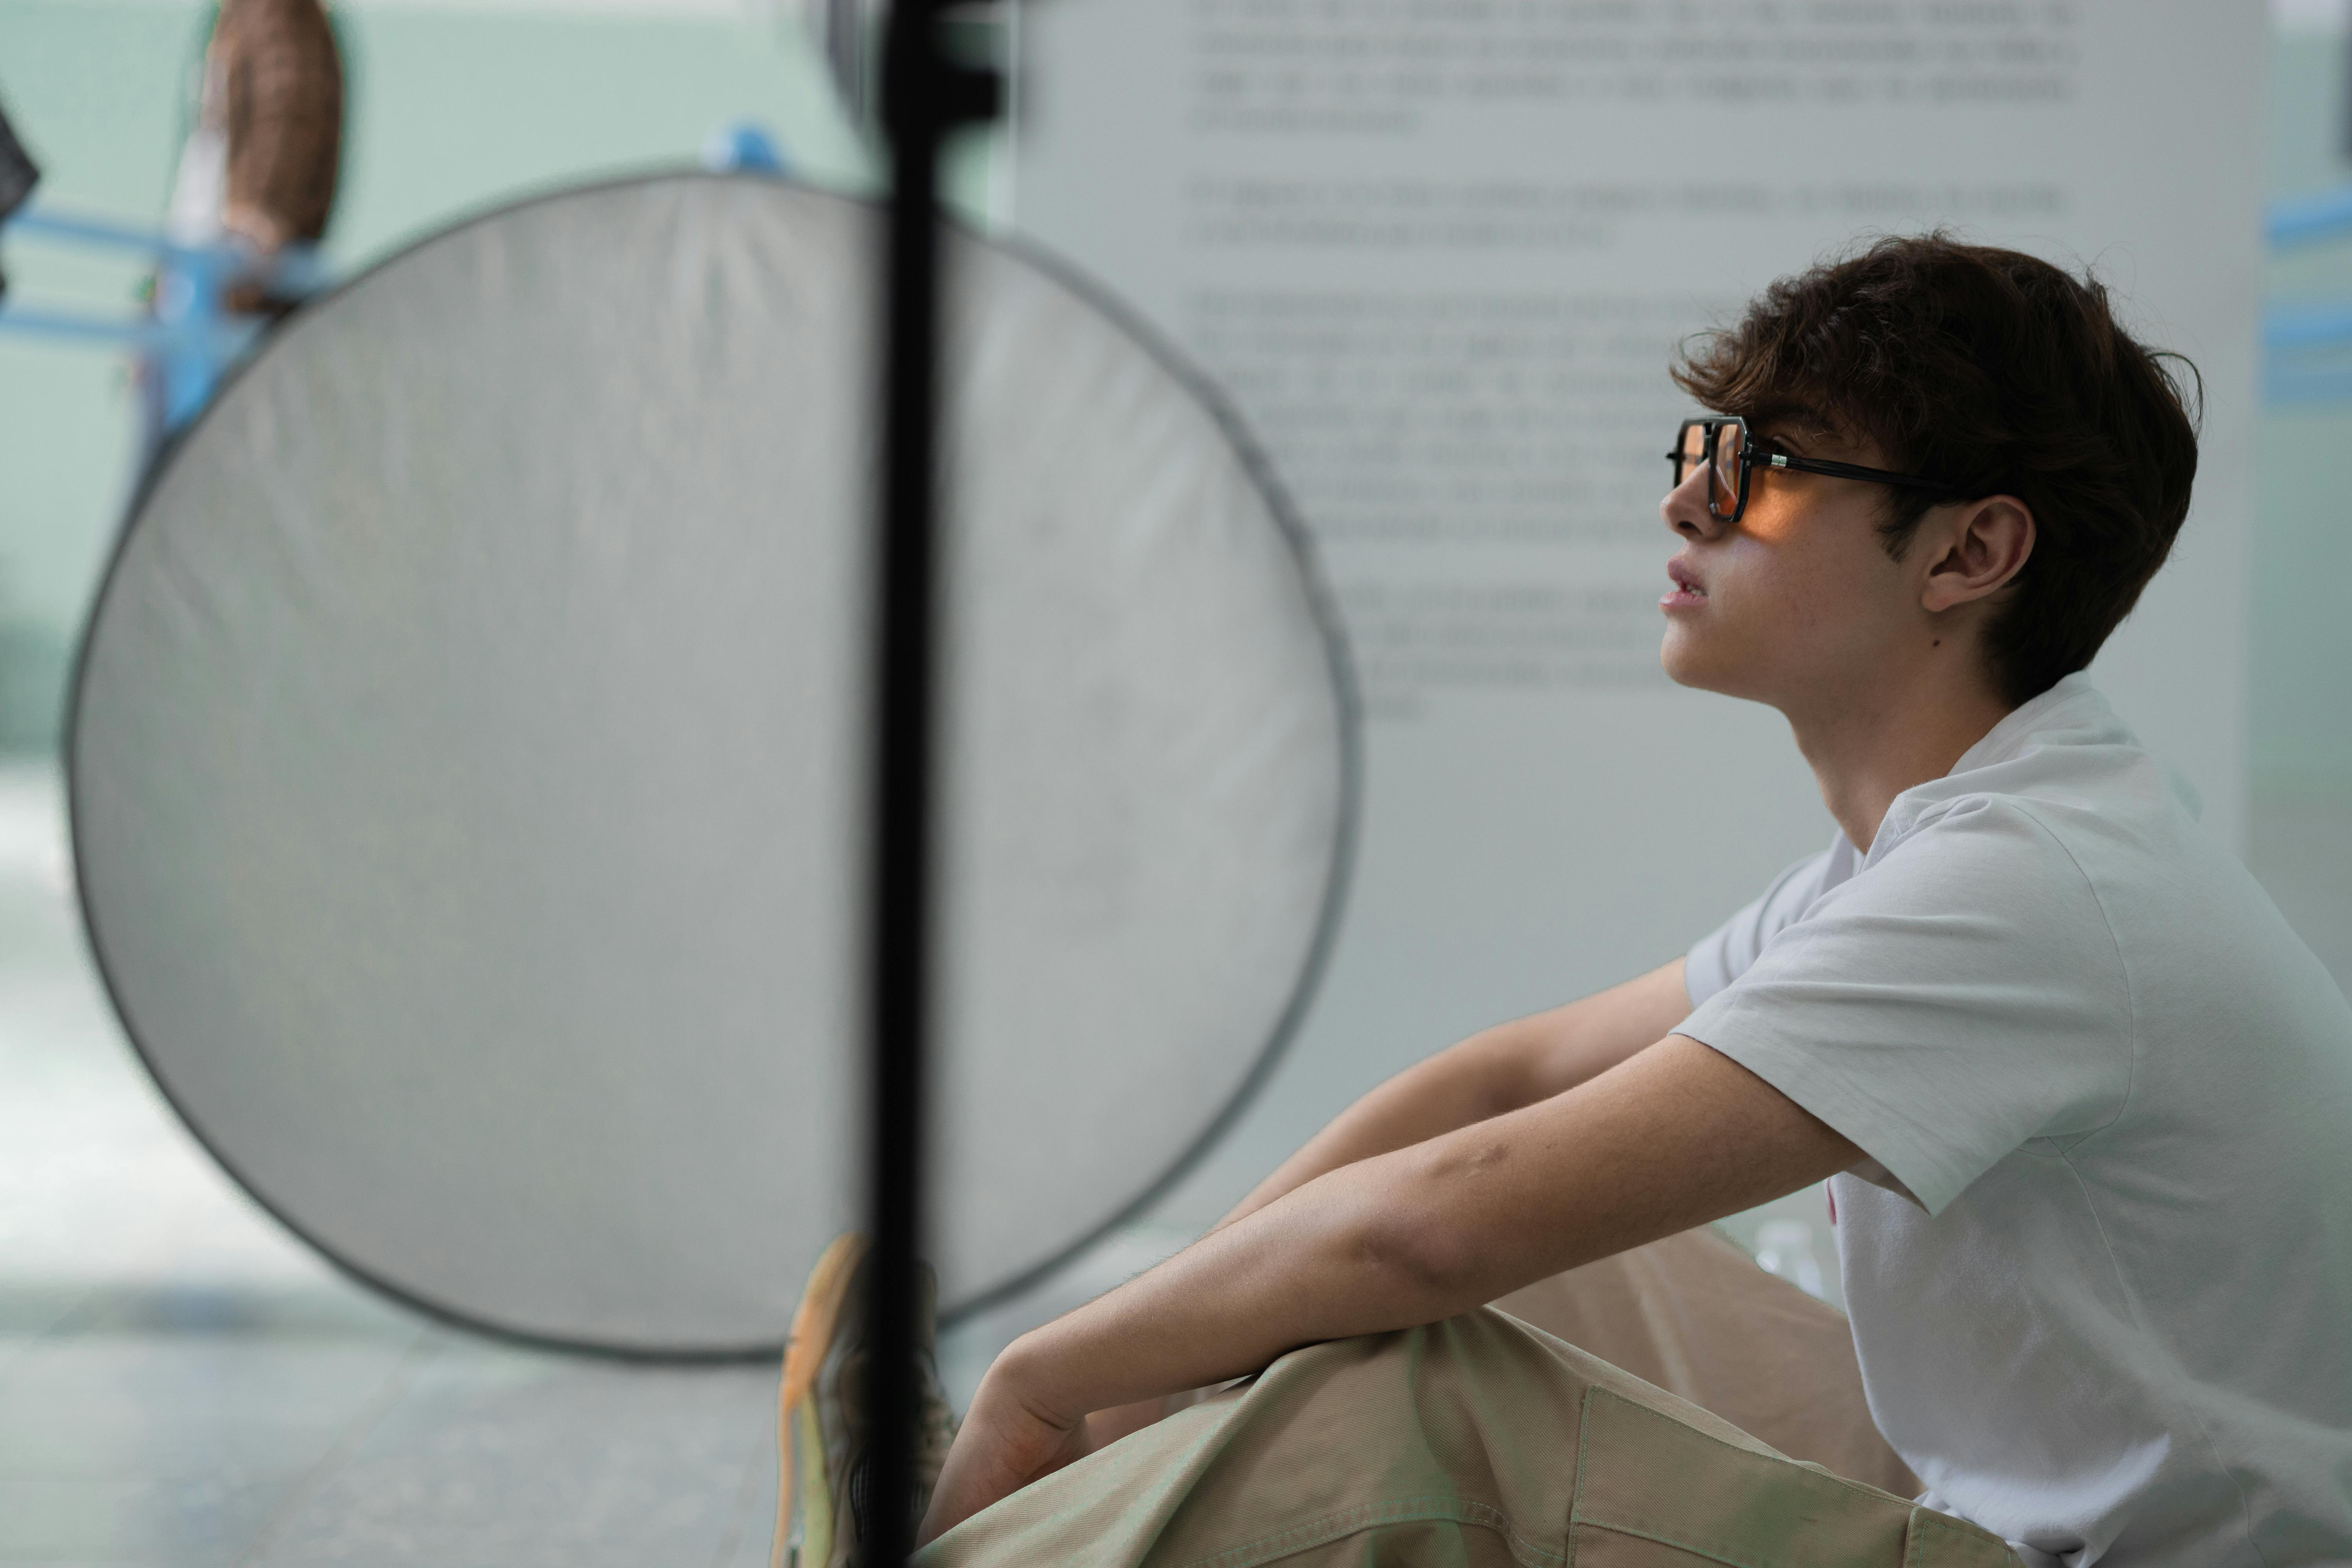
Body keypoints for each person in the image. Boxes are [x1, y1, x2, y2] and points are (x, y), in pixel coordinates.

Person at [784, 235, 2352, 1568]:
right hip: (2003, 1492)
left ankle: (944, 1549)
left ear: (1969, 553)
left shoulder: (2028, 886)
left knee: (1425, 1382)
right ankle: (996, 1516)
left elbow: (1436, 1223)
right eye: (1697, 455)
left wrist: (1039, 1384)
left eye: (1767, 469)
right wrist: (1100, 1385)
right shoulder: (1971, 838)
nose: (1691, 504)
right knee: (1537, 1253)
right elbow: (1504, 1088)